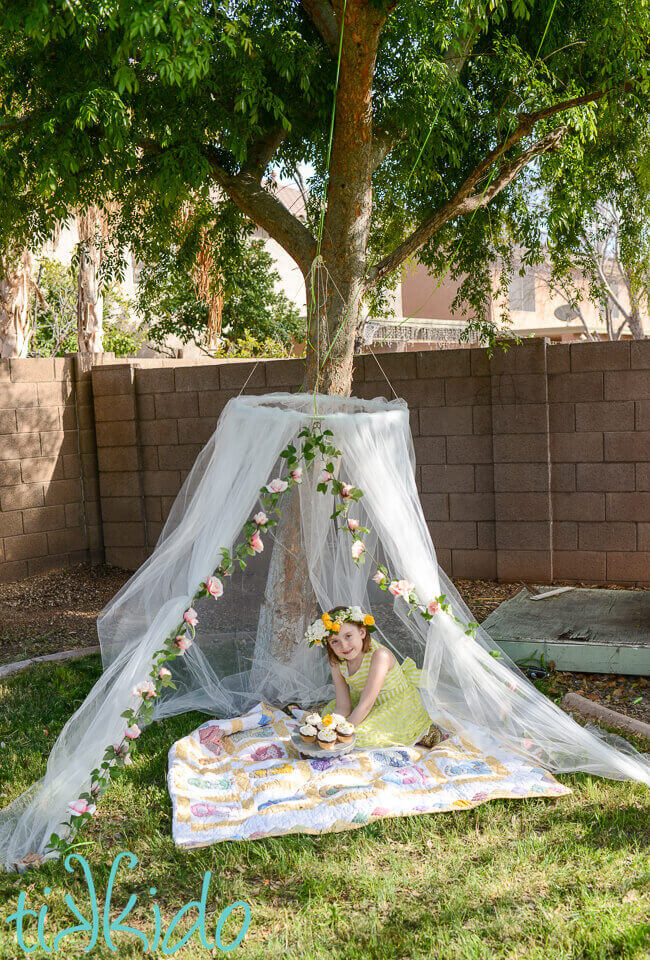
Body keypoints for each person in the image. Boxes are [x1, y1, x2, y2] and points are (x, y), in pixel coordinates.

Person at [310, 605, 443, 749]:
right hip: (366, 701)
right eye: (335, 641)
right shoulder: (337, 662)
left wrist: (344, 731)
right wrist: (331, 729)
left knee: (357, 737)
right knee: (325, 723)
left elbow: (365, 705)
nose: (344, 646)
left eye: (348, 636)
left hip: (396, 706)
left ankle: (424, 733)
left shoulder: (380, 656)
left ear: (361, 632)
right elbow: (343, 707)